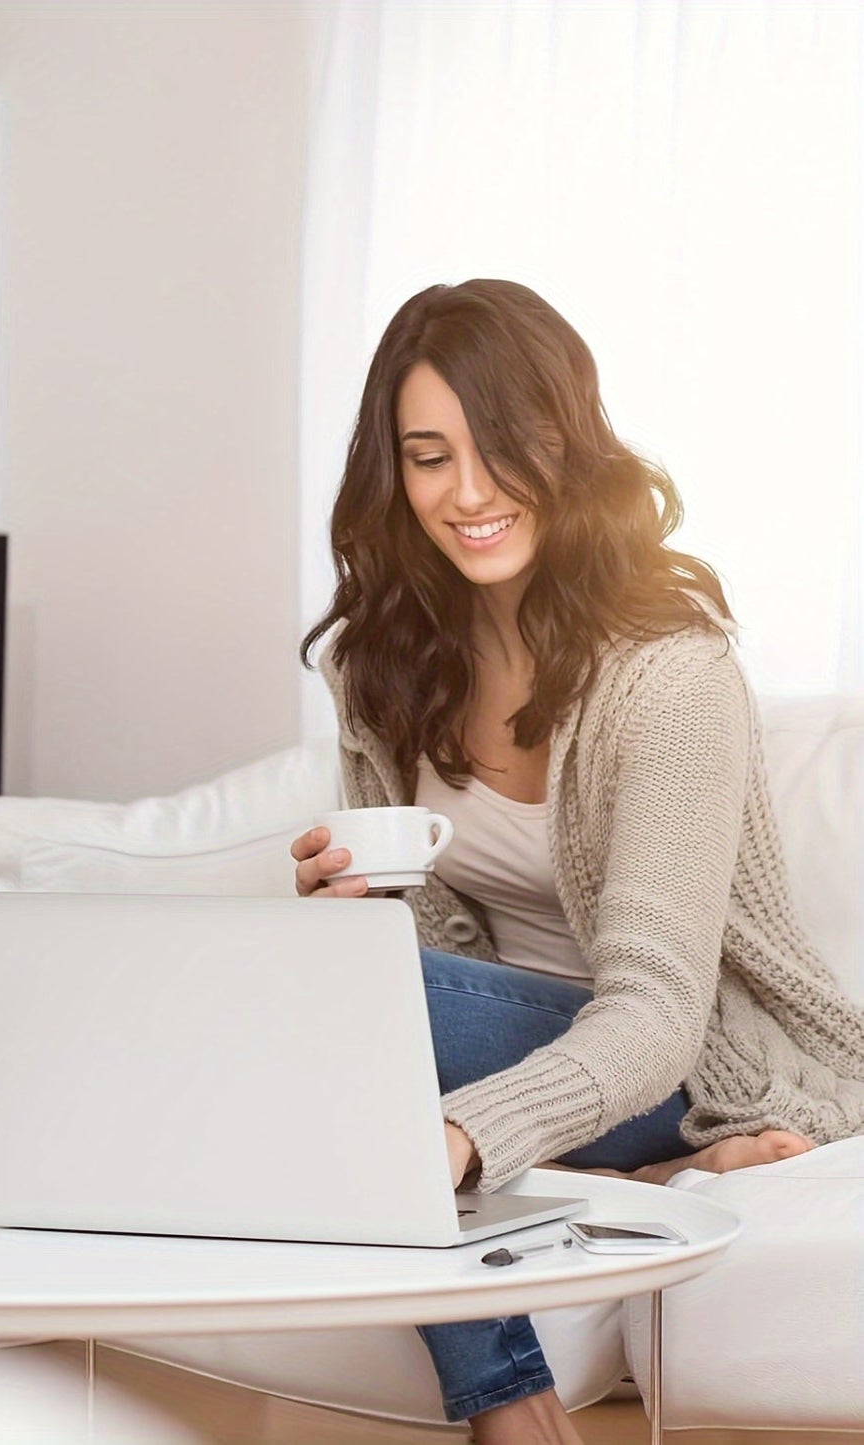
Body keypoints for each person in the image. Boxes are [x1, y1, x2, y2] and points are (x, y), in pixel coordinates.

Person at [293, 279, 864, 1444]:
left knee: (350, 1016)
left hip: (696, 1052)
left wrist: (456, 1135)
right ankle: (528, 1377)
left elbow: (657, 1005)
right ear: (388, 476)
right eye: (427, 454)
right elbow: (432, 962)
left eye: (503, 446)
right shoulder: (377, 668)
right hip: (517, 1043)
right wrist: (351, 916)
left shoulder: (666, 666)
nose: (468, 492)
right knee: (326, 986)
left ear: (570, 446)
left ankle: (511, 1412)